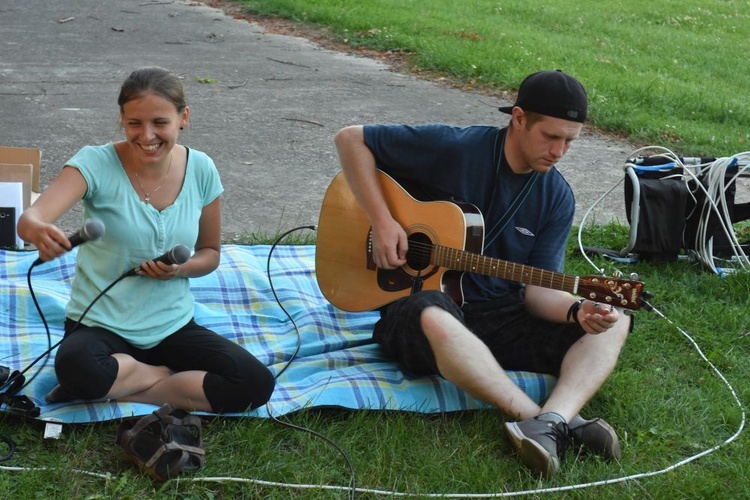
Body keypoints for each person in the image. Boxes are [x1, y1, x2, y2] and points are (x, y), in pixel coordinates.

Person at [332, 70, 631, 477]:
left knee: (617, 319)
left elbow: (537, 292)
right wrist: (383, 221)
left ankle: (553, 419)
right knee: (433, 314)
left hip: (501, 314)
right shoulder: (457, 148)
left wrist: (578, 309)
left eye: (569, 141)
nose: (559, 151)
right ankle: (543, 421)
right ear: (519, 118)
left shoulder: (555, 196)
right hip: (422, 309)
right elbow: (351, 139)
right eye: (551, 137)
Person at [18, 67, 275, 414]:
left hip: (171, 326)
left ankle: (128, 386)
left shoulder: (201, 169)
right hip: (99, 325)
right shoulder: (94, 162)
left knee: (255, 383)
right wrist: (36, 229)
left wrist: (179, 271)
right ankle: (164, 378)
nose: (147, 135)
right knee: (76, 365)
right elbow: (31, 218)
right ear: (122, 119)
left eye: (160, 122)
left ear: (183, 118)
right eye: (134, 123)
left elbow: (210, 253)